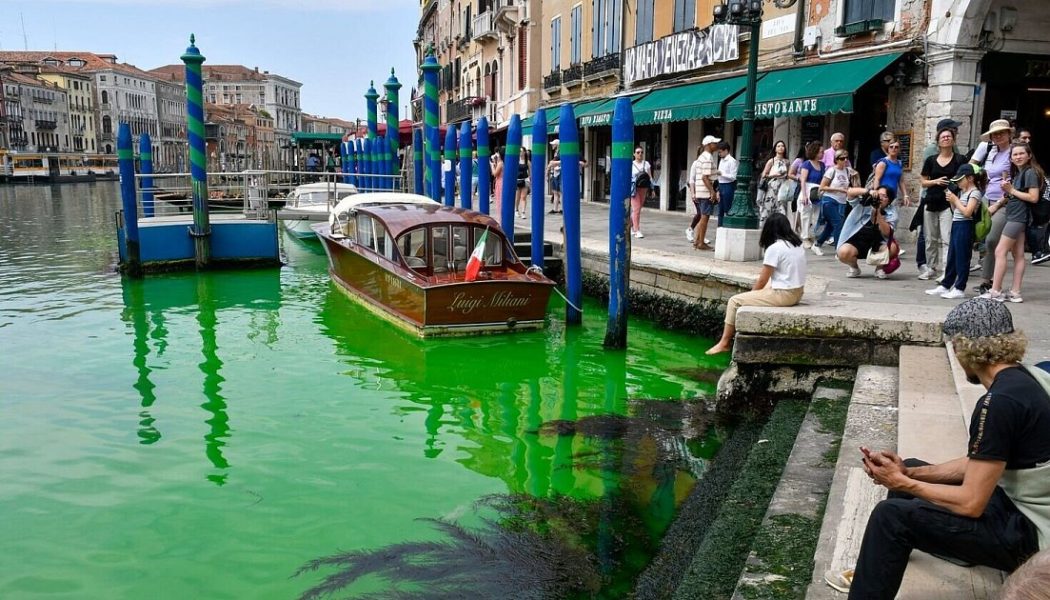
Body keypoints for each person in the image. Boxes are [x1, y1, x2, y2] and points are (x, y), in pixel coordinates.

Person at [828, 298, 1050, 599]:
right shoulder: (1028, 378)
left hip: (1032, 537)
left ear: (964, 348)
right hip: (1020, 507)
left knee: (890, 516)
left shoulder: (998, 404)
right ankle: (882, 566)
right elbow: (981, 462)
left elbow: (971, 502)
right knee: (912, 475)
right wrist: (910, 472)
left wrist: (901, 482)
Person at [705, 213, 806, 355]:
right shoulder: (797, 244)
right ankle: (725, 341)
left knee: (734, 301)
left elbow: (762, 280)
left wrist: (751, 295)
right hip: (798, 292)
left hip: (785, 295)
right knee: (771, 282)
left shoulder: (775, 248)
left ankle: (724, 342)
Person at [981, 143, 1043, 303]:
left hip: (1017, 218)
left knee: (1000, 251)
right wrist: (1008, 193)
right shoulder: (1021, 173)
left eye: (1021, 153)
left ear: (1029, 155)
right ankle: (1015, 292)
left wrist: (1011, 190)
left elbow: (1033, 197)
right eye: (1015, 154)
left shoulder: (1029, 173)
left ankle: (995, 290)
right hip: (1017, 217)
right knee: (1018, 255)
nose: (1018, 157)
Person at [925, 163, 986, 299]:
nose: (957, 183)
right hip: (957, 224)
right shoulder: (963, 192)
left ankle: (959, 287)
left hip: (965, 226)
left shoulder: (974, 192)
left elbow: (968, 212)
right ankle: (946, 284)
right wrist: (952, 202)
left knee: (962, 257)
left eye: (960, 180)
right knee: (952, 256)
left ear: (970, 178)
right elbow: (956, 211)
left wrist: (955, 200)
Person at [971, 119, 1016, 294]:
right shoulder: (991, 150)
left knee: (991, 241)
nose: (998, 136)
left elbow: (1013, 183)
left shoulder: (1014, 153)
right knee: (987, 240)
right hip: (987, 199)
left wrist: (997, 204)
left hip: (1006, 202)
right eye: (994, 134)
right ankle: (987, 281)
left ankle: (994, 283)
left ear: (1009, 134)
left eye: (1001, 132)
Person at [918, 128, 967, 281]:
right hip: (931, 201)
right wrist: (936, 182)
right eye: (943, 137)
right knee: (930, 238)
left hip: (948, 202)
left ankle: (947, 269)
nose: (946, 139)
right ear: (938, 141)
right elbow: (923, 181)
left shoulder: (960, 159)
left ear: (953, 140)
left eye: (949, 136)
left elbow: (965, 179)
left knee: (947, 237)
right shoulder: (931, 160)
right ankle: (931, 268)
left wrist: (954, 187)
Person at [836, 186, 899, 279]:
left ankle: (879, 269)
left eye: (884, 196)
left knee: (893, 248)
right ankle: (854, 268)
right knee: (843, 252)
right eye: (879, 194)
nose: (880, 198)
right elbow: (850, 192)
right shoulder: (864, 203)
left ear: (889, 201)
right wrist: (868, 191)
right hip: (857, 240)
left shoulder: (892, 212)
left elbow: (887, 233)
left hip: (878, 243)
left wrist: (878, 214)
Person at [815, 149, 852, 255]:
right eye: (842, 158)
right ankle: (838, 249)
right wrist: (840, 190)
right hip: (829, 200)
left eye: (846, 158)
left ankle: (818, 243)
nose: (844, 160)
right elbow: (822, 187)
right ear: (836, 159)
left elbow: (848, 185)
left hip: (841, 201)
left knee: (831, 226)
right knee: (838, 223)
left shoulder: (848, 171)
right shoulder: (831, 171)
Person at [689, 136, 719, 250]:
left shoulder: (703, 157)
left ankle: (697, 241)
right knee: (704, 217)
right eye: (714, 143)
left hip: (701, 191)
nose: (716, 145)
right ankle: (700, 242)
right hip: (705, 191)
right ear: (708, 145)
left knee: (703, 217)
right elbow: (705, 177)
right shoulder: (707, 158)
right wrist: (712, 192)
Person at [871, 138, 911, 224]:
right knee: (880, 219)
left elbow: (901, 181)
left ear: (899, 149)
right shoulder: (883, 162)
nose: (894, 149)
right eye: (891, 147)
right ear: (888, 149)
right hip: (882, 196)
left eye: (896, 147)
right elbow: (877, 179)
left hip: (893, 196)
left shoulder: (899, 163)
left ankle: (889, 236)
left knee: (892, 220)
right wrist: (876, 193)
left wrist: (905, 195)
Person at [797, 141, 825, 249]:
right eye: (821, 152)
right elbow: (803, 180)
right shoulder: (807, 164)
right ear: (815, 152)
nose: (822, 154)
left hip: (817, 191)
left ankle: (812, 235)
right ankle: (804, 237)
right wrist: (804, 195)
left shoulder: (822, 165)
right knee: (806, 215)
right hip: (808, 189)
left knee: (816, 216)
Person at [759, 140, 790, 225]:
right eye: (778, 146)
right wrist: (773, 175)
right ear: (775, 149)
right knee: (769, 206)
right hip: (772, 186)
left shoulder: (787, 162)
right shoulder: (771, 161)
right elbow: (764, 175)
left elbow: (789, 175)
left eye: (782, 146)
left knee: (782, 207)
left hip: (783, 186)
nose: (781, 148)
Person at [630, 147, 653, 238]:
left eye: (641, 152)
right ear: (634, 154)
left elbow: (650, 177)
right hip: (634, 189)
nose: (640, 154)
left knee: (637, 209)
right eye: (638, 152)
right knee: (636, 209)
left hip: (643, 188)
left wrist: (653, 189)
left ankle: (630, 226)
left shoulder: (646, 164)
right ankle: (637, 230)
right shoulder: (631, 164)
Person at [716, 141, 739, 227]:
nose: (719, 154)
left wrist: (721, 173)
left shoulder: (732, 161)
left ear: (726, 150)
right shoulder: (721, 160)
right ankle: (720, 227)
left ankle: (726, 226)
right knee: (720, 209)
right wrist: (718, 190)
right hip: (721, 185)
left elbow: (733, 177)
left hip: (728, 186)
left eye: (720, 152)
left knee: (727, 208)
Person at [546, 142, 562, 214]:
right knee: (555, 192)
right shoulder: (556, 152)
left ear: (557, 145)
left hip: (559, 173)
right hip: (555, 173)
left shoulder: (561, 152)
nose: (552, 145)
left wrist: (551, 165)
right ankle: (555, 209)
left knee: (560, 192)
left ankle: (562, 209)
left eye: (553, 144)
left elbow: (554, 162)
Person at [515, 149, 531, 219]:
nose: (520, 152)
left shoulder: (527, 161)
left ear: (524, 152)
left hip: (525, 180)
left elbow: (530, 172)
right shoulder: (516, 160)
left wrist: (530, 180)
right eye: (519, 151)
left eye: (521, 151)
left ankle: (523, 212)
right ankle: (516, 210)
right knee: (517, 197)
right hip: (517, 180)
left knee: (523, 197)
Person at [490, 149, 504, 213]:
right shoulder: (505, 162)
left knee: (500, 200)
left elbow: (495, 174)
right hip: (504, 181)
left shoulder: (500, 163)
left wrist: (492, 166)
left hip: (500, 182)